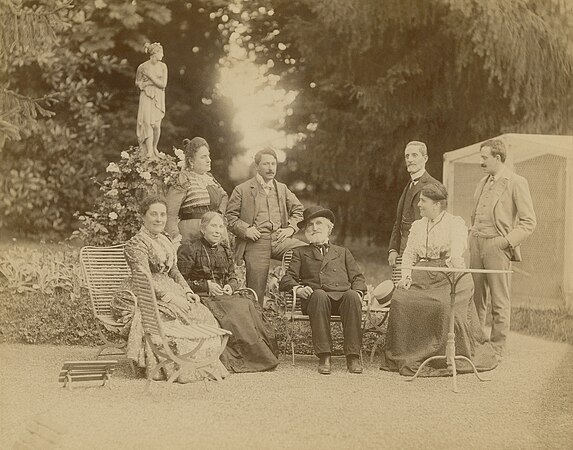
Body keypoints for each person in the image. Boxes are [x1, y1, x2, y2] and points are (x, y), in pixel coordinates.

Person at [380, 184, 498, 376]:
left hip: (448, 273)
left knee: (443, 305)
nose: (419, 205)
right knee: (401, 299)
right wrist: (406, 276)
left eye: (423, 201)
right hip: (422, 273)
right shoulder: (418, 226)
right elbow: (409, 254)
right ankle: (407, 353)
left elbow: (457, 250)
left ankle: (443, 355)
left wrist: (453, 267)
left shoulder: (454, 223)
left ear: (437, 204)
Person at [111, 196, 229, 383]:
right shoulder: (136, 244)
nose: (159, 219)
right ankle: (175, 367)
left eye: (163, 215)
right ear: (143, 217)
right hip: (141, 292)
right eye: (154, 214)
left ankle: (201, 365)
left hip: (170, 287)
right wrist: (171, 298)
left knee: (202, 314)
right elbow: (143, 277)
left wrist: (187, 291)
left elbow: (174, 270)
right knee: (176, 315)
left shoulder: (165, 239)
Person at [177, 212, 280, 373]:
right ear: (203, 229)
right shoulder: (189, 249)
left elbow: (233, 276)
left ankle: (259, 357)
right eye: (213, 226)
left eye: (220, 226)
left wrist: (230, 286)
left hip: (225, 296)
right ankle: (245, 360)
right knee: (236, 310)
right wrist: (206, 286)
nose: (218, 230)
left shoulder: (224, 250)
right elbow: (181, 281)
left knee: (247, 305)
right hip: (203, 297)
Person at [279, 206, 367, 375]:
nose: (314, 228)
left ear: (329, 228)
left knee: (352, 296)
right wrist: (298, 288)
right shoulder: (300, 252)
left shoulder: (343, 252)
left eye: (319, 223)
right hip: (316, 301)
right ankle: (324, 355)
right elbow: (286, 279)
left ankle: (353, 356)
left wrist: (358, 292)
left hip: (342, 299)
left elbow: (358, 278)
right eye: (310, 225)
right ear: (305, 230)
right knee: (318, 294)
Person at [469, 139, 536, 359]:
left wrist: (505, 241)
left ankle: (497, 348)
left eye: (484, 158)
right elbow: (476, 214)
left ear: (498, 158)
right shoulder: (481, 182)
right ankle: (477, 343)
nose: (481, 162)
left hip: (497, 245)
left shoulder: (516, 182)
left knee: (499, 299)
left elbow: (528, 222)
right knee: (476, 296)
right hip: (476, 243)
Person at [226, 147, 305, 305]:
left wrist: (290, 228)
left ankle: (300, 300)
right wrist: (246, 229)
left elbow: (299, 210)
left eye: (273, 164)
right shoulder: (242, 190)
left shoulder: (282, 189)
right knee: (255, 290)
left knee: (308, 252)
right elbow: (230, 217)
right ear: (257, 167)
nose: (270, 168)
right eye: (266, 164)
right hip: (256, 242)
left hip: (279, 239)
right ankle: (256, 319)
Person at [165, 137, 228, 245]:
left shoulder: (210, 179)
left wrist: (218, 216)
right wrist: (175, 238)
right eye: (203, 157)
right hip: (192, 235)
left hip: (215, 233)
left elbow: (224, 196)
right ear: (191, 161)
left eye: (208, 155)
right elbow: (170, 213)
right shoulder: (182, 178)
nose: (209, 160)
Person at [388, 141, 441, 268]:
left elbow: (435, 224)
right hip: (403, 248)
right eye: (407, 156)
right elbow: (399, 220)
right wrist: (393, 249)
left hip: (421, 252)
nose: (410, 160)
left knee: (417, 285)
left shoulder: (433, 185)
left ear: (425, 158)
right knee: (400, 284)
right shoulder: (408, 185)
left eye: (414, 155)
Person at [135, 42, 167, 159]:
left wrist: (150, 78)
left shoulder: (163, 66)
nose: (162, 55)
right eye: (161, 53)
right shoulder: (142, 67)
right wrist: (143, 84)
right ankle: (148, 151)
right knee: (147, 123)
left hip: (158, 97)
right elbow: (137, 82)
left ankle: (154, 147)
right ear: (154, 54)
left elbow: (163, 84)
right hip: (146, 96)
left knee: (157, 125)